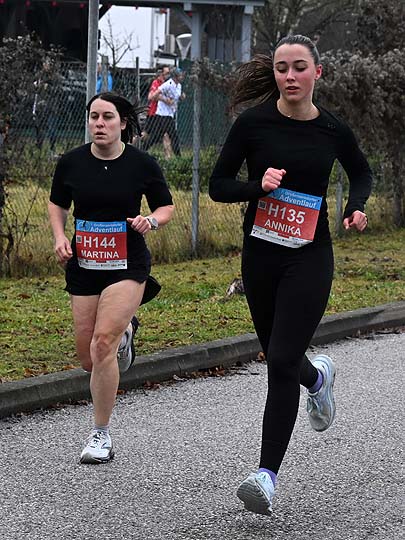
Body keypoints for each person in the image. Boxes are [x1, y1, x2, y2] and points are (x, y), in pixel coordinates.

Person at [209, 34, 372, 514]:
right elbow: (218, 185)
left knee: (280, 360)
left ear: (317, 72)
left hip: (308, 255)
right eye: (282, 68)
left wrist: (356, 206)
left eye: (299, 67)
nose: (290, 76)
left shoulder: (333, 129)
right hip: (260, 254)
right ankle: (317, 378)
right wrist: (256, 187)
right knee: (281, 357)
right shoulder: (253, 123)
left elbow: (361, 173)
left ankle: (265, 477)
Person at [48, 92, 174, 464]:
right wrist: (59, 237)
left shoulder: (142, 164)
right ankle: (127, 331)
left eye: (107, 117)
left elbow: (165, 206)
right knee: (90, 358)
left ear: (123, 123)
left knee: (103, 344)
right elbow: (58, 204)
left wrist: (151, 221)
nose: (99, 124)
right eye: (94, 117)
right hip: (85, 264)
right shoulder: (71, 162)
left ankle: (100, 434)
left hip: (127, 264)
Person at [143, 67, 185, 156]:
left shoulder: (179, 86)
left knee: (156, 136)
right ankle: (179, 156)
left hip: (170, 114)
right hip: (163, 114)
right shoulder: (167, 84)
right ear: (175, 76)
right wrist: (165, 99)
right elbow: (154, 95)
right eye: (180, 75)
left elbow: (176, 97)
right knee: (173, 136)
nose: (182, 77)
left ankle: (142, 149)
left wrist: (181, 97)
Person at [141, 65, 170, 154]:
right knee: (145, 134)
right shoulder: (156, 83)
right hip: (153, 113)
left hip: (163, 115)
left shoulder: (168, 84)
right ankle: (130, 146)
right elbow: (150, 96)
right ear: (161, 74)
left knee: (165, 135)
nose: (168, 75)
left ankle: (168, 159)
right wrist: (164, 98)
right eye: (166, 73)